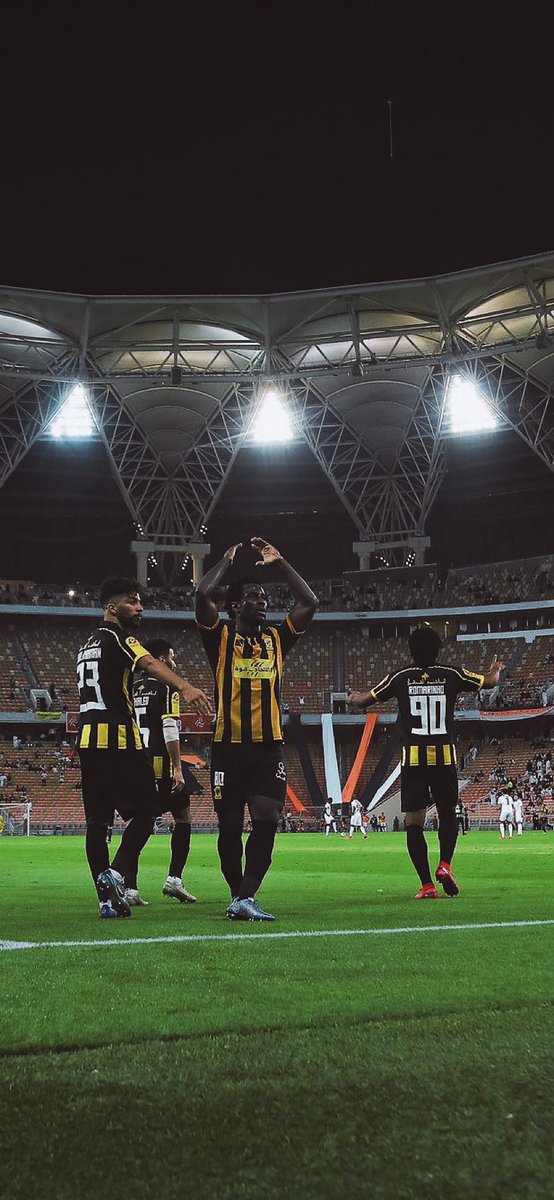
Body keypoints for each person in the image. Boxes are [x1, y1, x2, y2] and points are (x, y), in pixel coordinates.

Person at [195, 537, 318, 921]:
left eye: (264, 597)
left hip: (267, 748)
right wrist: (225, 563)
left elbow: (309, 602)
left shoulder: (277, 639)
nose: (262, 601)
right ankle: (237, 895)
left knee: (267, 817)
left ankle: (247, 895)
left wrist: (280, 562)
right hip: (227, 748)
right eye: (252, 596)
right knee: (229, 826)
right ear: (234, 606)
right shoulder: (219, 637)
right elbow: (202, 594)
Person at [77, 576, 211, 918]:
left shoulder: (86, 644)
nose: (139, 607)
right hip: (119, 737)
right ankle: (116, 874)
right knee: (148, 810)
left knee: (97, 822)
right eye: (132, 601)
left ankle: (107, 901)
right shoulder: (119, 637)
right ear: (112, 608)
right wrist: (186, 688)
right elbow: (150, 663)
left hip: (87, 740)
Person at [347, 624, 503, 898]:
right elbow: (490, 682)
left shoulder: (400, 677)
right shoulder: (451, 674)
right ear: (438, 649)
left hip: (414, 760)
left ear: (411, 650)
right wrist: (495, 669)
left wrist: (351, 698)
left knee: (414, 822)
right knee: (447, 813)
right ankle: (445, 865)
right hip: (444, 758)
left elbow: (364, 700)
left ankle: (427, 885)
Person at [132, 637, 199, 906]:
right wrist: (178, 768)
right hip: (161, 764)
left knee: (139, 821)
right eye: (171, 657)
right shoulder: (168, 686)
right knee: (182, 818)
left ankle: (129, 886)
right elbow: (170, 728)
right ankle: (174, 878)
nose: (174, 662)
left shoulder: (131, 688)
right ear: (160, 659)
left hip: (137, 763)